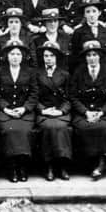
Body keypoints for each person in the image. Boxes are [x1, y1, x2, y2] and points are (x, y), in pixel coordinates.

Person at [69, 40, 106, 180]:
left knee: (102, 126)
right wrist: (85, 112)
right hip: (83, 112)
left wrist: (101, 112)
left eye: (95, 55)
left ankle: (101, 163)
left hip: (102, 112)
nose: (92, 58)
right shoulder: (79, 72)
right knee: (85, 127)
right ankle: (89, 164)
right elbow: (73, 96)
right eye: (89, 55)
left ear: (100, 56)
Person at [0, 39, 37, 183]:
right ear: (7, 56)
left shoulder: (30, 72)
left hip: (24, 113)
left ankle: (23, 166)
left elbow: (33, 94)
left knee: (24, 131)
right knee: (9, 130)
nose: (15, 57)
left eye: (18, 54)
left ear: (23, 56)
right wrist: (6, 108)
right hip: (5, 112)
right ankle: (11, 167)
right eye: (12, 53)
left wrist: (24, 108)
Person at [35, 41, 72, 181]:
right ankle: (48, 165)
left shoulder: (65, 74)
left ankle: (62, 166)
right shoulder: (37, 74)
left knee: (61, 127)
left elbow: (70, 98)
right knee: (48, 127)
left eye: (51, 55)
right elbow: (33, 97)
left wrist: (61, 111)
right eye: (46, 56)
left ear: (57, 57)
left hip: (60, 112)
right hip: (44, 112)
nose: (48, 58)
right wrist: (43, 110)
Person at [70, 0, 106, 71]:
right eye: (88, 12)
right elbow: (75, 55)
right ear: (84, 14)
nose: (91, 15)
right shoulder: (78, 32)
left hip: (104, 70)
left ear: (99, 12)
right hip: (85, 70)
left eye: (94, 11)